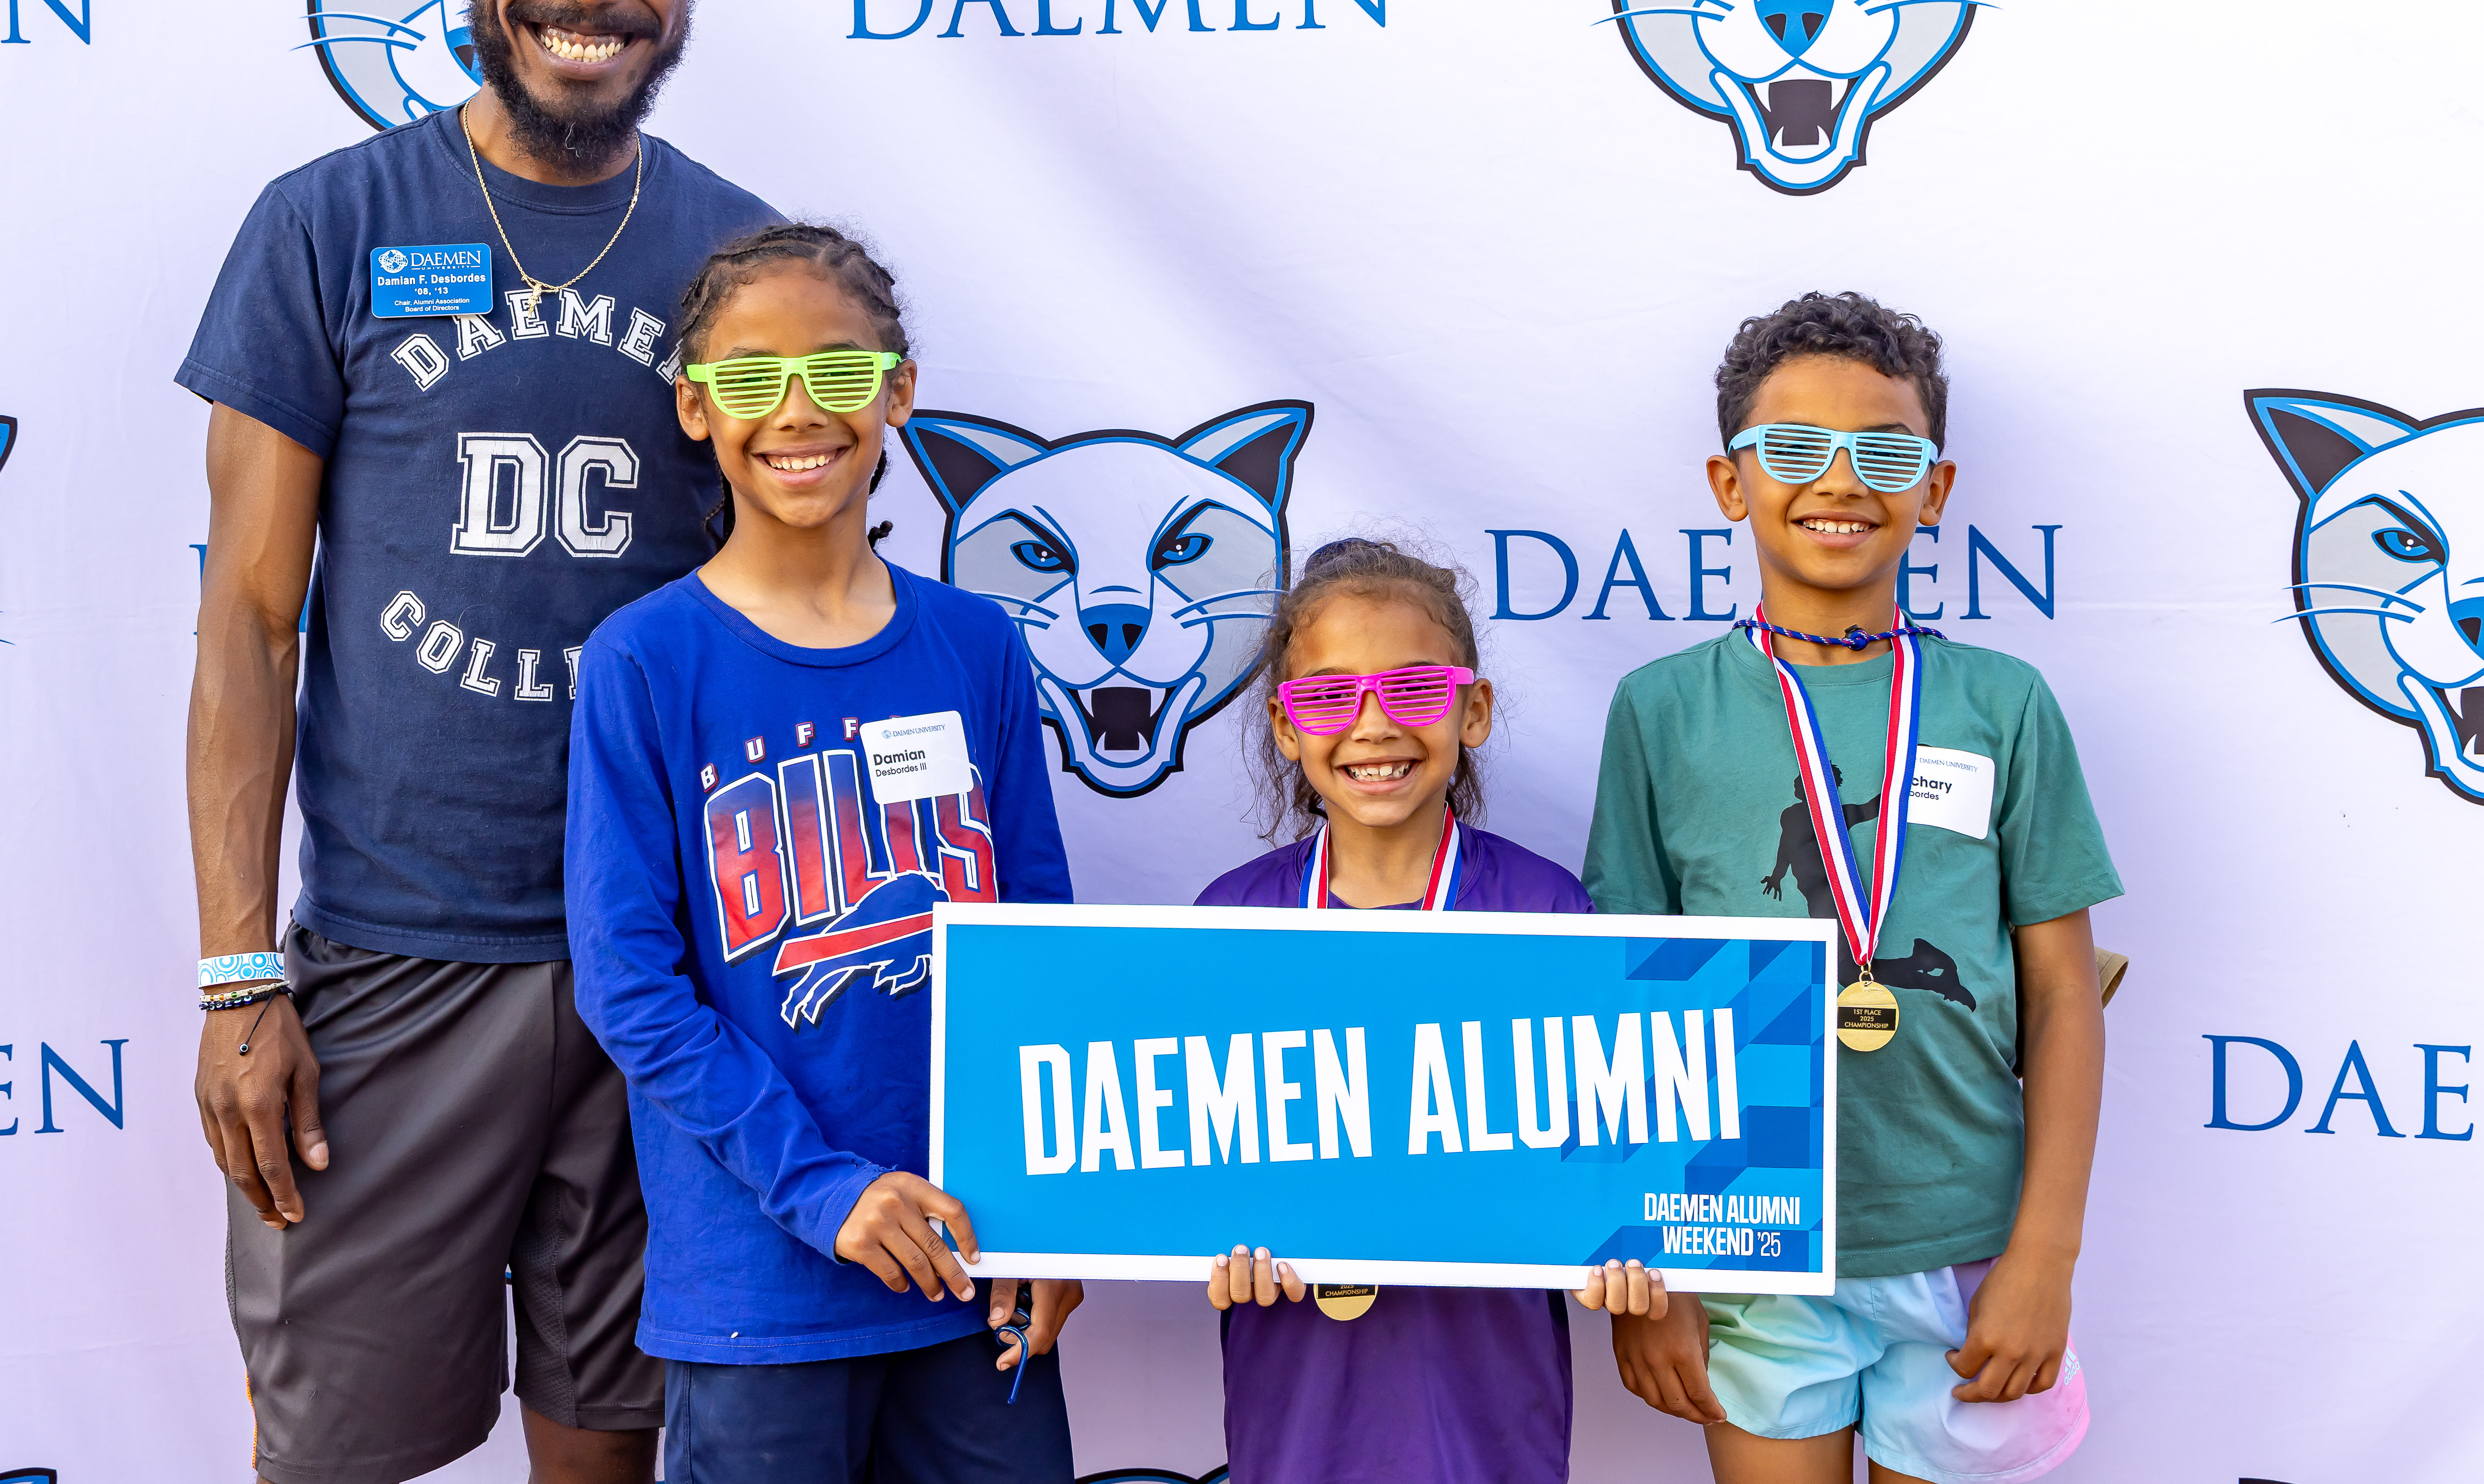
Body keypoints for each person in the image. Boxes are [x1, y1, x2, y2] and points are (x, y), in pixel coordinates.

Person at [182, 0, 778, 1484]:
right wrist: (239, 973)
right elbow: (246, 614)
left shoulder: (742, 254)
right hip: (396, 954)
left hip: (660, 969)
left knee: (612, 1433)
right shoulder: (330, 222)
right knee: (336, 1446)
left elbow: (790, 611)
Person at [562, 224, 1081, 1484]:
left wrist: (1053, 1206)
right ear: (695, 406)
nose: (796, 412)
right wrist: (825, 1188)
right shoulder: (646, 660)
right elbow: (629, 983)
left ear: (896, 391)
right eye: (749, 379)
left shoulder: (977, 646)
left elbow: (1040, 949)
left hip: (975, 1269)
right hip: (763, 1291)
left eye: (838, 372)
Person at [1584, 294, 2117, 1484]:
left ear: (1934, 487)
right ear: (1731, 483)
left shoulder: (2002, 703)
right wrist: (1645, 1264)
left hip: (1966, 1244)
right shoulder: (1662, 712)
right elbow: (1621, 1003)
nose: (1840, 481)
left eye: (1883, 453)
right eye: (1794, 450)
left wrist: (2047, 1254)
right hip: (1748, 1245)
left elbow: (2065, 999)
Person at [1192, 536, 1668, 1484]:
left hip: (1486, 1391)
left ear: (1473, 710)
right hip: (1297, 1384)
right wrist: (1207, 1237)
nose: (1372, 727)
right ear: (1287, 728)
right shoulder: (1230, 920)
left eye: (1412, 690)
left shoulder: (1547, 912)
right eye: (1328, 697)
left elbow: (1607, 1154)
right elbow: (1183, 1166)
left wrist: (1626, 1239)